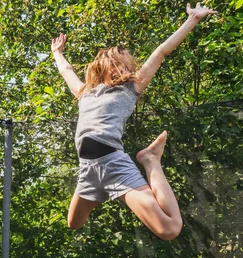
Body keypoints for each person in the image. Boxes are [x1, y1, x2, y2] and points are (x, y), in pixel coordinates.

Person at [51, 2, 217, 240]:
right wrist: (57, 53)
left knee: (169, 230)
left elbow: (160, 52)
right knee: (74, 223)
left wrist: (192, 20)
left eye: (125, 66)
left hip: (114, 165)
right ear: (103, 68)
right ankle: (109, 191)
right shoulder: (85, 93)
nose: (121, 69)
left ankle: (150, 161)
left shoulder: (130, 89)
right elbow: (67, 71)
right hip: (87, 170)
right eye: (115, 65)